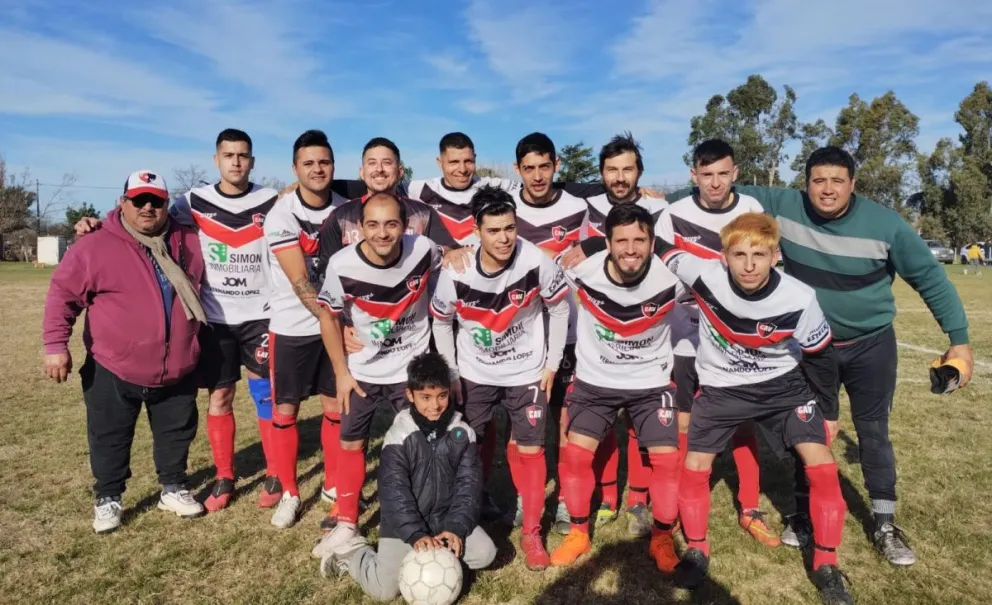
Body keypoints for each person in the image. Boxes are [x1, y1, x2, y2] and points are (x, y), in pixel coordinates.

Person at [663, 146, 973, 566]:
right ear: (805, 184)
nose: (827, 190)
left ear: (853, 184)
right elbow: (720, 186)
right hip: (805, 351)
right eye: (818, 181)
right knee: (807, 435)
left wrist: (959, 340)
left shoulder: (885, 223)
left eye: (837, 181)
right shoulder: (785, 204)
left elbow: (930, 278)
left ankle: (884, 522)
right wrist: (659, 198)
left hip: (869, 344)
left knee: (873, 432)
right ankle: (804, 517)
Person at [71, 131, 284, 510]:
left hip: (260, 315)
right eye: (228, 155)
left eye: (243, 155)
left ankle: (274, 472)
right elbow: (139, 217)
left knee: (264, 395)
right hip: (214, 317)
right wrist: (97, 224)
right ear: (216, 160)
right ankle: (224, 476)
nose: (236, 162)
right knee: (220, 395)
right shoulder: (192, 201)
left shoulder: (270, 200)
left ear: (252, 161)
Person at [662, 212, 853, 605]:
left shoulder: (800, 297)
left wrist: (830, 413)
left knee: (823, 467)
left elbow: (820, 358)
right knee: (695, 466)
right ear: (723, 256)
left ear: (775, 255)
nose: (749, 265)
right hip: (721, 389)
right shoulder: (702, 274)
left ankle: (826, 564)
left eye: (759, 255)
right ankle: (697, 550)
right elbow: (660, 248)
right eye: (739, 254)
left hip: (783, 388)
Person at [43, 170, 207, 532]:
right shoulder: (95, 244)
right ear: (123, 203)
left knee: (177, 431)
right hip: (113, 364)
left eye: (156, 201)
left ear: (168, 205)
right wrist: (56, 345)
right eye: (139, 200)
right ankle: (108, 497)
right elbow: (62, 296)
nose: (148, 207)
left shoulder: (189, 239)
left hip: (177, 362)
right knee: (109, 434)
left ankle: (173, 486)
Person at [430, 185, 570, 570]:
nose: (505, 237)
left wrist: (551, 364)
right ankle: (464, 518)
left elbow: (559, 309)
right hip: (475, 374)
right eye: (494, 230)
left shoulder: (537, 261)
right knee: (466, 448)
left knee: (531, 449)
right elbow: (441, 321)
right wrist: (453, 371)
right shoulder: (455, 270)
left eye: (510, 227)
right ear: (477, 230)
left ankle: (531, 533)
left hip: (527, 372)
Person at [654, 139, 776, 547]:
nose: (715, 182)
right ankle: (686, 499)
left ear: (736, 172)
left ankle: (750, 506)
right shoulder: (673, 215)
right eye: (706, 174)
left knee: (742, 419)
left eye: (723, 173)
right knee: (684, 422)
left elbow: (766, 268)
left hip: (734, 336)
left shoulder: (752, 211)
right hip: (685, 333)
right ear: (694, 175)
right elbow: (660, 273)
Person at [550, 204, 683, 573]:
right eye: (621, 240)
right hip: (595, 382)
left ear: (652, 242)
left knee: (668, 461)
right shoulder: (580, 270)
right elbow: (531, 267)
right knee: (575, 456)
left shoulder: (673, 276)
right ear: (606, 242)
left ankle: (661, 536)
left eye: (640, 240)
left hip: (652, 383)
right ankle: (578, 532)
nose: (630, 249)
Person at [312, 192, 443, 557]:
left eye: (391, 224)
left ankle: (423, 513)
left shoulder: (424, 249)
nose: (382, 233)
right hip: (362, 370)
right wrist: (341, 372)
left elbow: (454, 263)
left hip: (410, 368)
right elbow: (328, 316)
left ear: (405, 225)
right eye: (373, 224)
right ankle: (347, 523)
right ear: (360, 227)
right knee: (352, 443)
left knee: (422, 442)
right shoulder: (341, 264)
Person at [318, 351, 496, 600]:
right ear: (410, 395)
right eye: (425, 397)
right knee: (384, 590)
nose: (434, 406)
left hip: (445, 520)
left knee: (485, 553)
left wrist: (455, 526)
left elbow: (469, 486)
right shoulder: (398, 436)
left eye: (442, 396)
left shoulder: (462, 433)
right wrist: (415, 534)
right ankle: (352, 555)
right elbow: (393, 492)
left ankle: (438, 559)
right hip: (404, 526)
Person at [264, 129, 350, 529]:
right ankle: (289, 492)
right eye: (308, 163)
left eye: (324, 162)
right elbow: (301, 282)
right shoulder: (281, 214)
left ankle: (333, 484)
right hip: (294, 327)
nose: (318, 169)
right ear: (295, 168)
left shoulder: (348, 208)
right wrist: (334, 323)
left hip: (334, 325)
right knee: (286, 410)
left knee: (335, 407)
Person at [509, 133, 593, 535]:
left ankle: (562, 498)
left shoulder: (579, 207)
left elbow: (617, 225)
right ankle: (526, 496)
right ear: (517, 170)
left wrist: (592, 248)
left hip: (569, 330)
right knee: (521, 422)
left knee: (564, 416)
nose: (538, 176)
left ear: (556, 165)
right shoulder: (506, 206)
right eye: (530, 168)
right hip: (520, 334)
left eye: (545, 166)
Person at [404, 132, 521, 246]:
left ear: (475, 158)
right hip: (438, 263)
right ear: (440, 162)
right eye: (454, 162)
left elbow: (533, 189)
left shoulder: (493, 186)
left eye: (468, 161)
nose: (462, 169)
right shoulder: (417, 189)